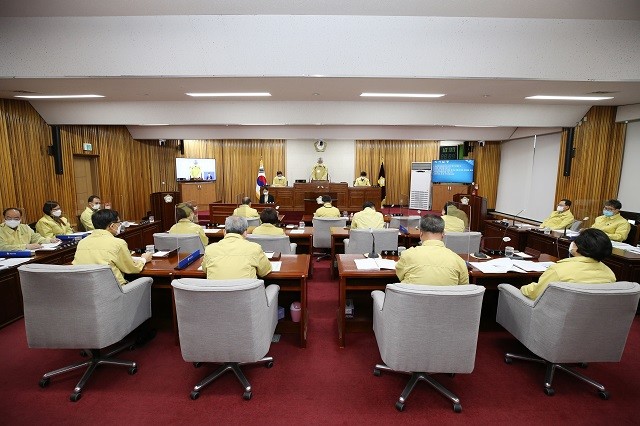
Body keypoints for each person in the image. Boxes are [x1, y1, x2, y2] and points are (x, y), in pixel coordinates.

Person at [520, 228, 616, 300]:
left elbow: (535, 293)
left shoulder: (559, 270)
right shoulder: (610, 273)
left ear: (578, 247)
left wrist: (522, 287)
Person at [72, 209, 151, 285]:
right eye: (119, 223)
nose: (120, 225)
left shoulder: (82, 242)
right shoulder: (118, 243)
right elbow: (132, 269)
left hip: (87, 289)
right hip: (115, 290)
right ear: (112, 226)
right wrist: (144, 259)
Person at [395, 215, 469, 285]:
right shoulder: (459, 261)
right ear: (443, 234)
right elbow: (464, 288)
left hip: (413, 294)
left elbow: (400, 276)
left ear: (421, 234)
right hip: (446, 295)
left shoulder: (407, 255)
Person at [201, 215, 272, 280]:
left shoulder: (210, 249)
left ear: (224, 232)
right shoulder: (255, 248)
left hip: (216, 290)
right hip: (245, 290)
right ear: (245, 233)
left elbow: (205, 269)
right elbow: (264, 271)